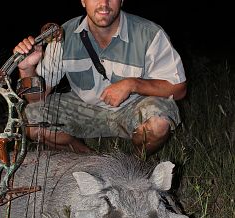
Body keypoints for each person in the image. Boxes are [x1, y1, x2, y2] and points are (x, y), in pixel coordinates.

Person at [13, 0, 187, 156]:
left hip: (133, 106)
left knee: (159, 123)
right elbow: (35, 98)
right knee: (30, 120)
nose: (104, 3)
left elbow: (178, 88)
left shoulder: (149, 33)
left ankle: (135, 163)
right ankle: (89, 158)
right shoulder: (63, 35)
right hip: (84, 107)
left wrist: (132, 84)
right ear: (83, 1)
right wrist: (27, 68)